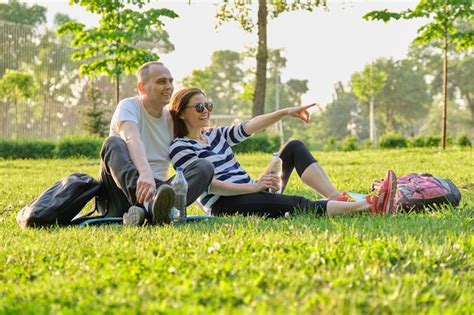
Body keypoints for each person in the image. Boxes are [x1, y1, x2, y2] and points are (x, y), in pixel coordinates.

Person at [168, 87, 397, 218]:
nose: (205, 111)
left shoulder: (215, 135)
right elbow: (209, 185)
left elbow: (252, 124)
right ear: (180, 113)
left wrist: (287, 112)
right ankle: (370, 207)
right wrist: (253, 187)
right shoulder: (180, 147)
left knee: (294, 147)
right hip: (225, 205)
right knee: (296, 203)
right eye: (199, 107)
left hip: (251, 191)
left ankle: (336, 198)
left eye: (208, 106)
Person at [97, 63, 214, 226]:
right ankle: (153, 207)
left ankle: (156, 210)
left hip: (160, 191)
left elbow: (201, 138)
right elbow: (131, 137)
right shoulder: (128, 106)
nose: (169, 87)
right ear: (141, 87)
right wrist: (145, 173)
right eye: (161, 81)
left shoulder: (172, 119)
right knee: (113, 143)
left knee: (204, 166)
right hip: (119, 193)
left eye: (170, 81)